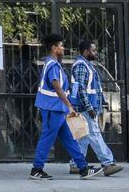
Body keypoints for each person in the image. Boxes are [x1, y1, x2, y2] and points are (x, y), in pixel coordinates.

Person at [30, 32, 101, 180]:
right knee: (47, 138)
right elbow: (57, 87)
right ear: (54, 48)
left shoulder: (54, 64)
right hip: (52, 108)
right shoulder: (52, 65)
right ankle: (36, 169)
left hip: (57, 108)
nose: (63, 48)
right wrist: (70, 106)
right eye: (61, 46)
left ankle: (83, 168)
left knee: (69, 138)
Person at [67, 40, 124, 176]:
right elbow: (80, 88)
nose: (96, 52)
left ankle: (76, 164)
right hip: (86, 109)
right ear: (86, 51)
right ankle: (107, 163)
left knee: (83, 137)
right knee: (95, 135)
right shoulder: (81, 66)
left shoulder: (86, 65)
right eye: (93, 50)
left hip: (87, 107)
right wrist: (89, 107)